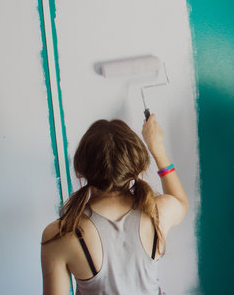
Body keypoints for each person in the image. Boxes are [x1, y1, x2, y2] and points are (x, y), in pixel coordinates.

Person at [41, 115, 188, 295]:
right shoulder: (157, 213)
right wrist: (157, 149)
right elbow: (180, 202)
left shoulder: (60, 234)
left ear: (79, 170)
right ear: (138, 166)